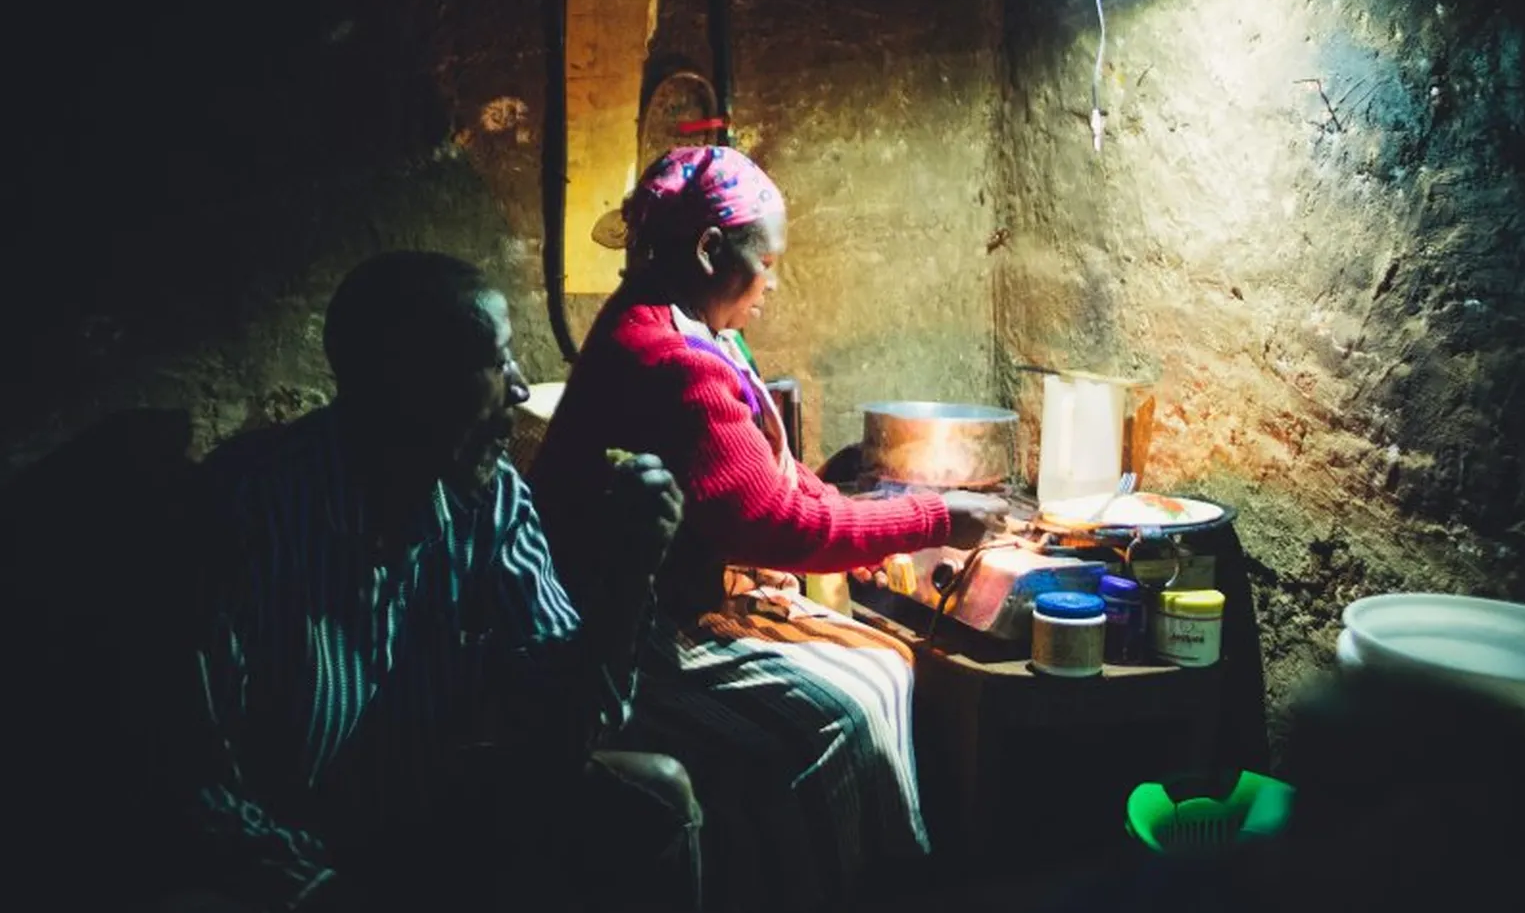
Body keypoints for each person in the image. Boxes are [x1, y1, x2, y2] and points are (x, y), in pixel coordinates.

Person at [529, 146, 1009, 911]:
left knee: (887, 663)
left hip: (666, 599)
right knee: (838, 715)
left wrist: (850, 520)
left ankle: (879, 873)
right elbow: (773, 520)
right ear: (709, 249)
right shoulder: (668, 357)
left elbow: (766, 476)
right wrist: (933, 517)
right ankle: (807, 878)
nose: (773, 283)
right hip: (623, 633)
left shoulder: (680, 320)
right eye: (768, 260)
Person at [161, 251, 701, 913]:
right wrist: (328, 892)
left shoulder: (490, 495)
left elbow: (566, 726)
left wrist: (630, 573)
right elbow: (192, 786)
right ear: (408, 385)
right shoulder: (249, 515)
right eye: (496, 360)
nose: (520, 385)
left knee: (655, 799)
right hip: (287, 856)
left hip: (422, 818)